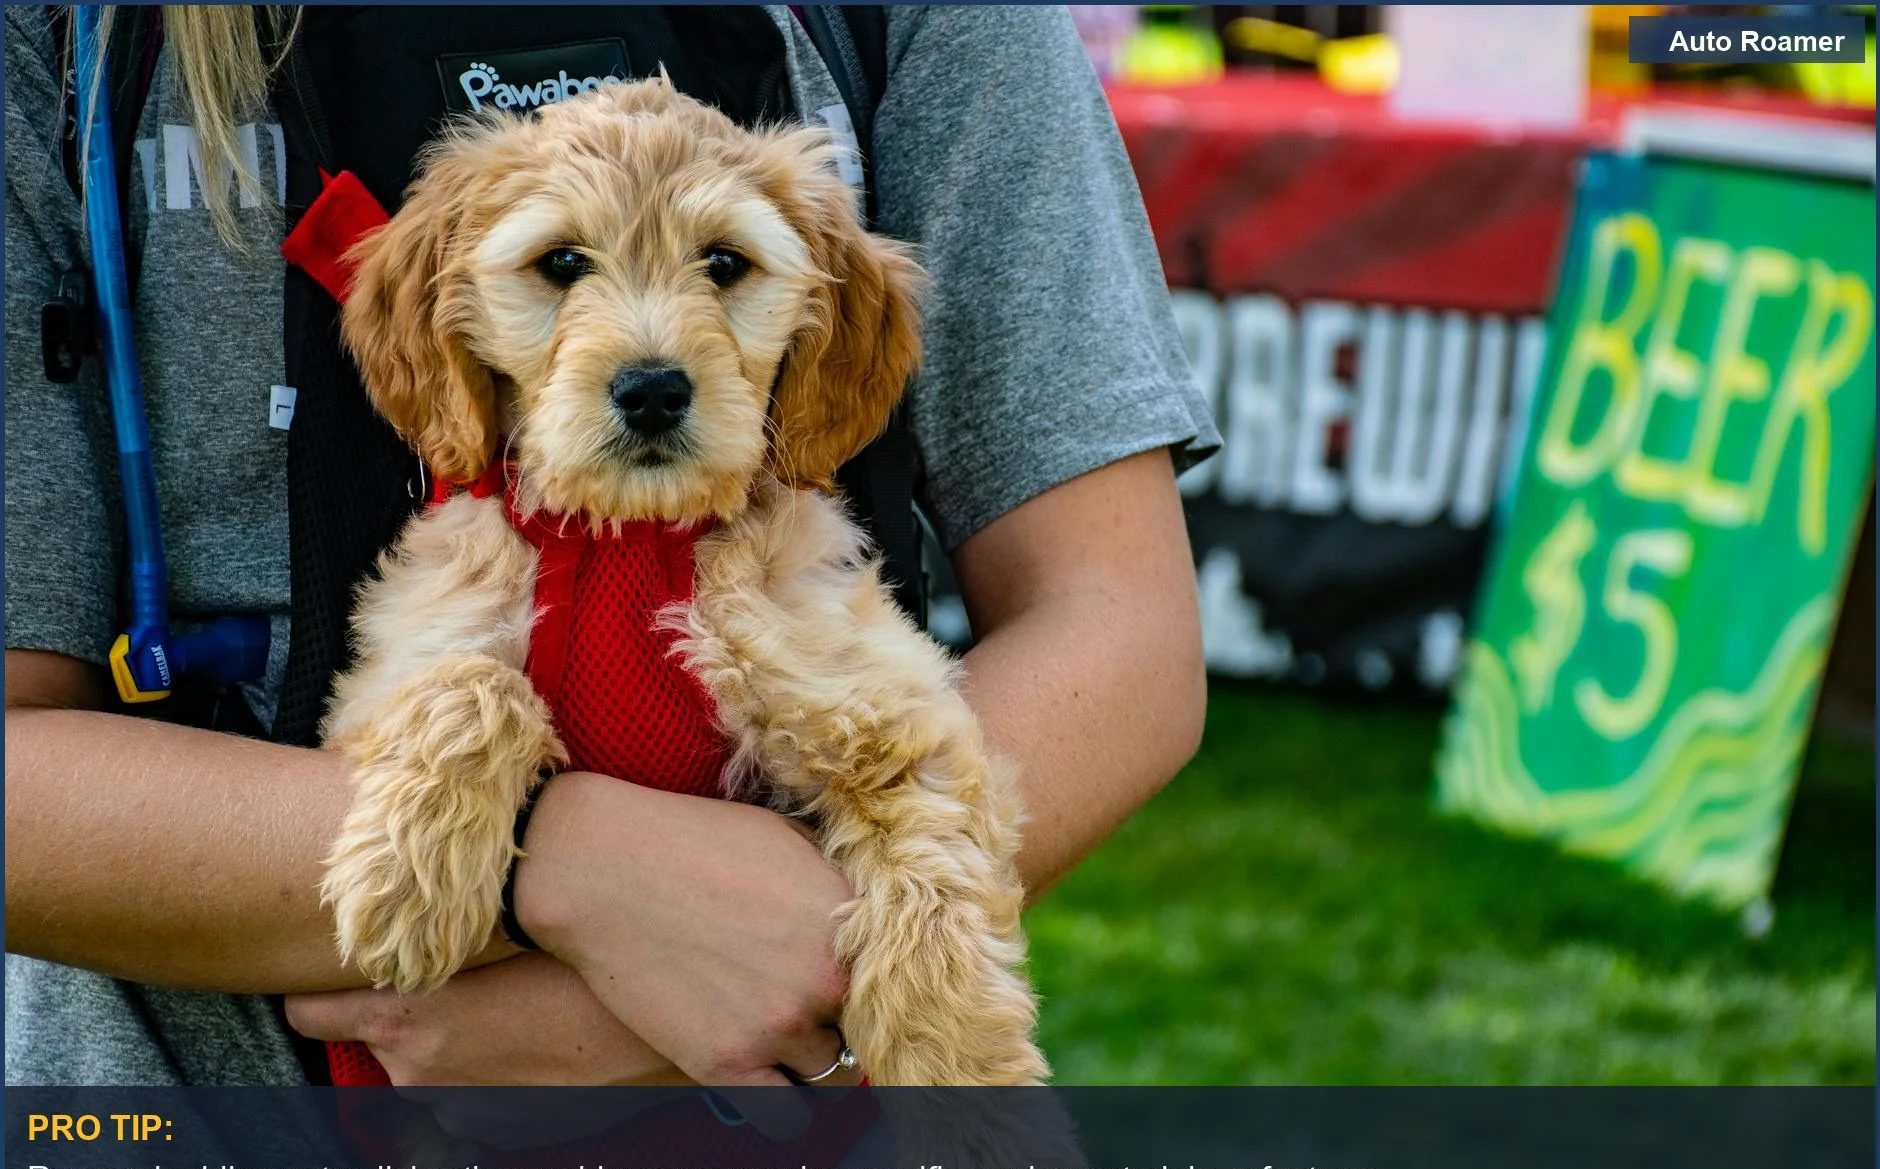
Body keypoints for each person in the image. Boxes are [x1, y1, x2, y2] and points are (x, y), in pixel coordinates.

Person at [4, 4, 1215, 1089]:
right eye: (559, 266)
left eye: (726, 267)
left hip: (810, 1152)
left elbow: (1116, 624)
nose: (649, 355)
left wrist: (788, 989)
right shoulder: (65, 35)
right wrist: (556, 867)